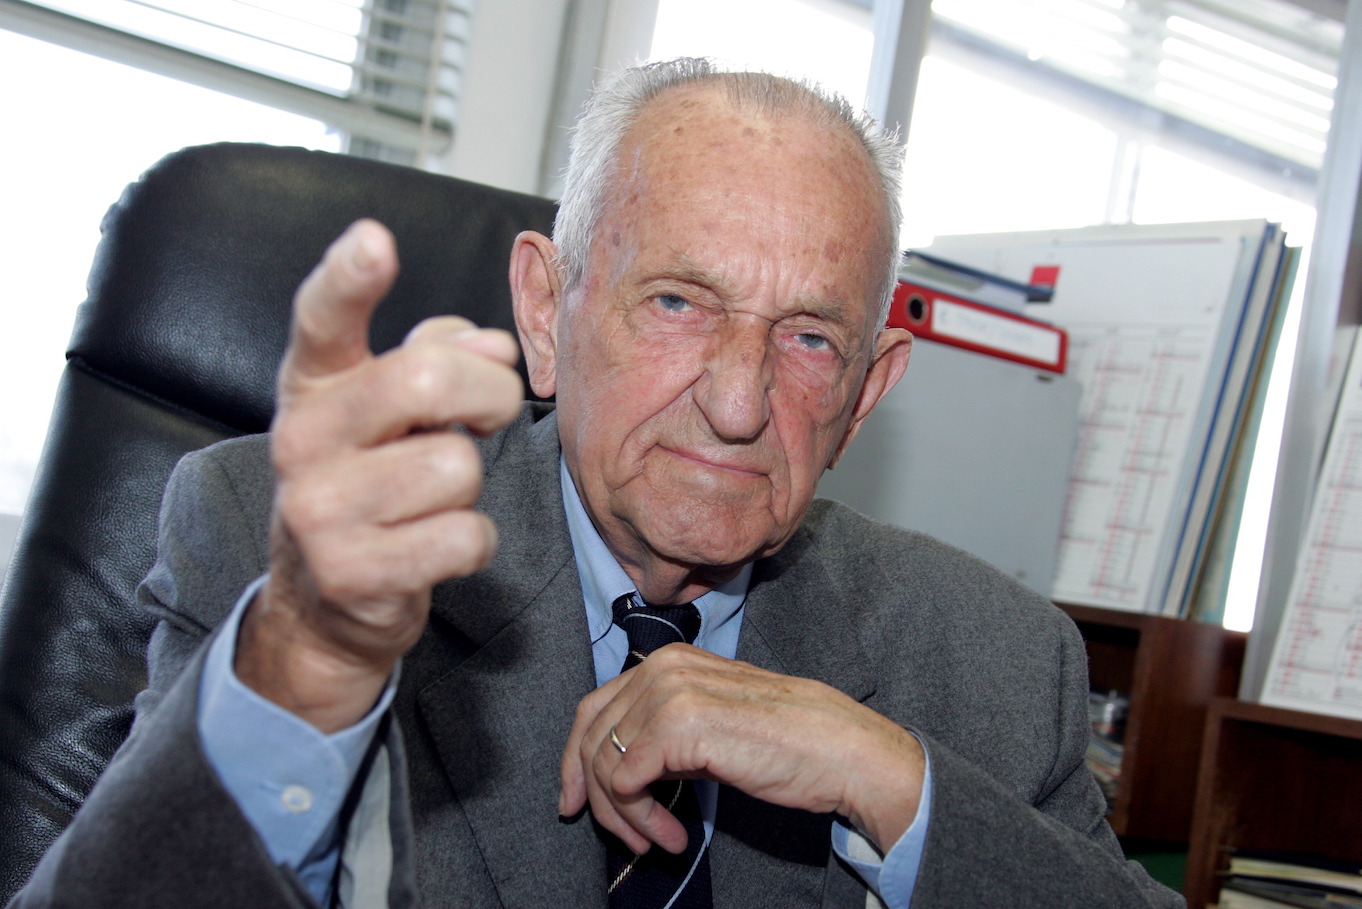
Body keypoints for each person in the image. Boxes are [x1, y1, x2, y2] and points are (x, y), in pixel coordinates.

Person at [12, 58, 1182, 908]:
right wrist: (301, 672)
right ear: (543, 309)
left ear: (868, 394)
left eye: (811, 340)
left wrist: (887, 778)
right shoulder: (291, 550)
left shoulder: (992, 658)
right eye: (677, 303)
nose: (737, 402)